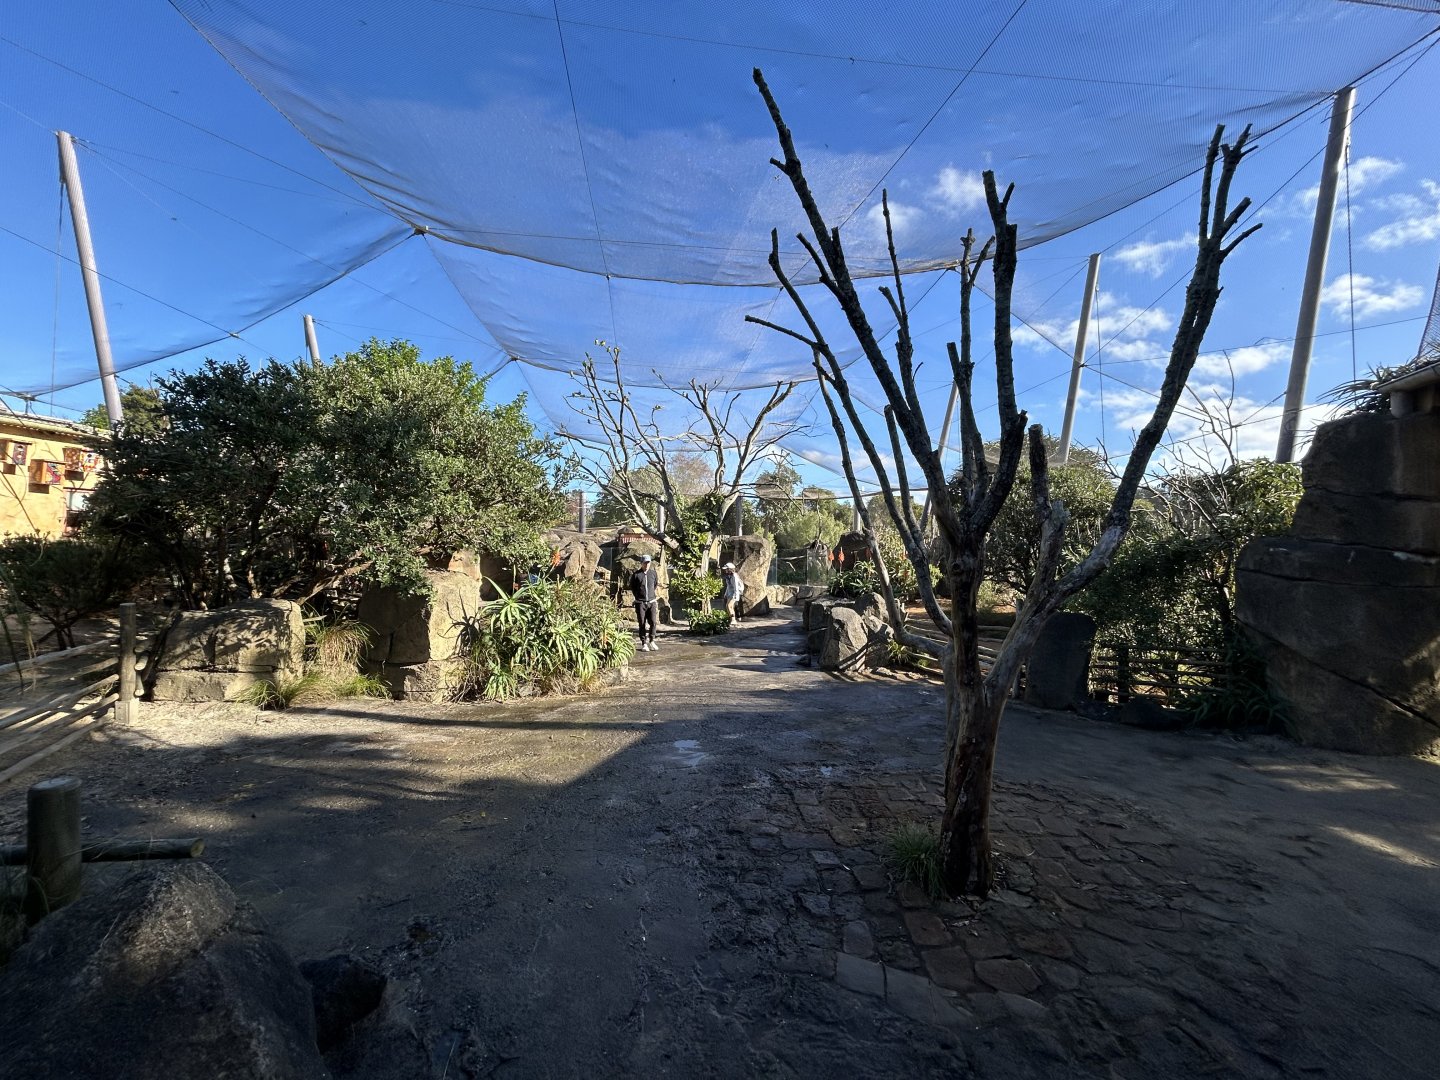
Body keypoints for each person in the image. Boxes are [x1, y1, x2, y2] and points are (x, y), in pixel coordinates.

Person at [629, 553, 659, 652]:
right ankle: (644, 643)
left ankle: (652, 640)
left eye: (648, 563)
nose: (647, 565)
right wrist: (638, 597)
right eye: (645, 563)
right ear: (641, 563)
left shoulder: (653, 573)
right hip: (640, 603)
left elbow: (655, 585)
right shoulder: (636, 575)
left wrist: (650, 596)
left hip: (652, 602)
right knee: (642, 623)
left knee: (653, 622)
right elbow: (633, 587)